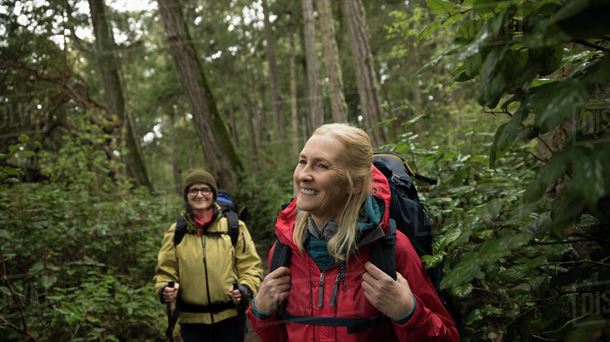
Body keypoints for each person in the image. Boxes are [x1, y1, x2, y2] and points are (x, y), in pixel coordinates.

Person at [248, 123, 459, 341]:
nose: (303, 175)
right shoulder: (284, 250)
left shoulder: (391, 250)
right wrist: (261, 312)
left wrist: (408, 313)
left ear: (356, 184)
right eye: (303, 161)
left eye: (321, 166)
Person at [154, 169, 263, 342]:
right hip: (192, 323)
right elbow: (165, 272)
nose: (199, 195)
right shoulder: (176, 232)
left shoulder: (234, 227)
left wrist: (245, 288)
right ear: (186, 196)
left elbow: (251, 266)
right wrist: (164, 289)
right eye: (193, 190)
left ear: (213, 193)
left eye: (205, 190)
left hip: (231, 318)